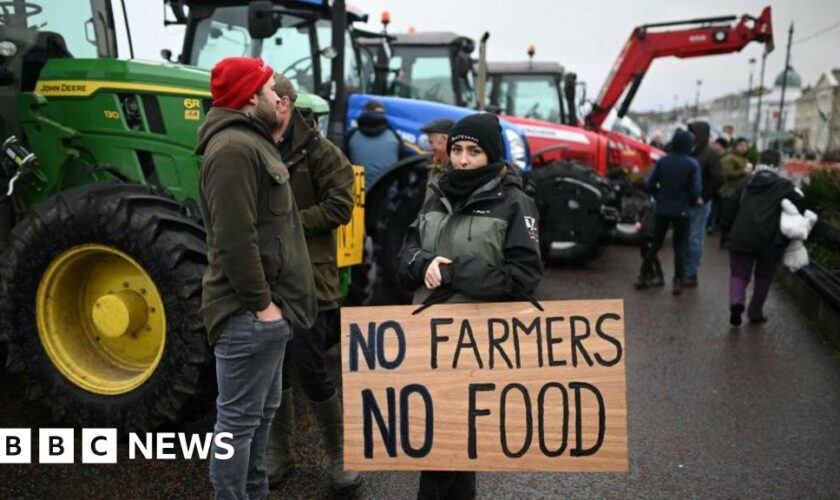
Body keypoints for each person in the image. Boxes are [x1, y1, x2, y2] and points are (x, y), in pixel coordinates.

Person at [398, 112, 543, 500]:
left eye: (474, 152)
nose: (462, 160)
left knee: (453, 449)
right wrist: (421, 263)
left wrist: (454, 273)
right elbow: (406, 253)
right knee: (437, 445)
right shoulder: (436, 194)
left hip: (480, 343)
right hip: (429, 340)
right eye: (458, 149)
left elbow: (523, 280)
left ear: (491, 155)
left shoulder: (515, 203)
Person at [196, 57, 317, 500]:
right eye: (268, 90)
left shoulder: (252, 142)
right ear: (250, 97)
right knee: (237, 425)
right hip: (248, 316)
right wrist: (262, 306)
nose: (276, 98)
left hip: (264, 316)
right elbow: (234, 239)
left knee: (260, 418)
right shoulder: (233, 149)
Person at [264, 75, 361, 492]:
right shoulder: (255, 145)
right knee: (272, 366)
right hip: (267, 276)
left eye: (262, 96)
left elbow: (341, 206)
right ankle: (278, 453)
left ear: (283, 104)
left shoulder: (322, 153)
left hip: (311, 277)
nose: (254, 103)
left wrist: (287, 225)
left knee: (309, 365)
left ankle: (342, 453)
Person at [722, 149, 805, 326]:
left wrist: (726, 229)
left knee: (739, 274)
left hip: (742, 236)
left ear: (759, 162)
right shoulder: (784, 185)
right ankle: (755, 312)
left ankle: (736, 302)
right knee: (764, 277)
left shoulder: (745, 182)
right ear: (778, 165)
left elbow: (730, 208)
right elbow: (800, 205)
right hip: (771, 240)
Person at [646, 129, 702, 295]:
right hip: (682, 210)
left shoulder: (663, 161)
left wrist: (658, 197)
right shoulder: (692, 164)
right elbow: (695, 190)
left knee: (656, 243)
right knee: (680, 247)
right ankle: (678, 281)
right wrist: (690, 202)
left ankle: (643, 274)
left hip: (662, 208)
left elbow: (650, 183)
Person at [685, 121, 723, 287]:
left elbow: (719, 178)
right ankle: (685, 270)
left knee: (695, 238)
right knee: (686, 238)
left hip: (700, 203)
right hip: (686, 201)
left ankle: (691, 272)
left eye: (692, 132)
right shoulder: (689, 150)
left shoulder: (710, 154)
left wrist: (704, 197)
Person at [347, 100, 402, 188]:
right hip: (387, 197)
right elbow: (401, 170)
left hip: (359, 197)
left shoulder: (351, 136)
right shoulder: (395, 137)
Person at [718, 137, 752, 247]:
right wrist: (743, 172)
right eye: (741, 145)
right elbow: (727, 174)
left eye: (746, 146)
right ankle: (725, 239)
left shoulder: (744, 159)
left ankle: (732, 238)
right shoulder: (729, 158)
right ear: (736, 146)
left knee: (735, 217)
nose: (744, 148)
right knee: (727, 216)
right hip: (729, 191)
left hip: (739, 191)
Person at [421, 117, 454, 200]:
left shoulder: (453, 172)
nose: (430, 147)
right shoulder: (435, 166)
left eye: (431, 142)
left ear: (445, 139)